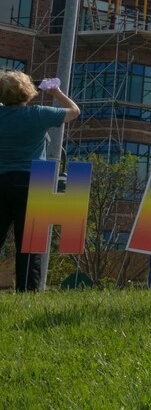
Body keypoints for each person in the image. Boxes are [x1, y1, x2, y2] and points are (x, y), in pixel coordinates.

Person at [0, 72, 80, 291]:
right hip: (34, 182)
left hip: (1, 181)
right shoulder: (39, 115)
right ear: (28, 92)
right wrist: (56, 92)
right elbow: (74, 111)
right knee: (30, 245)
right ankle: (27, 293)